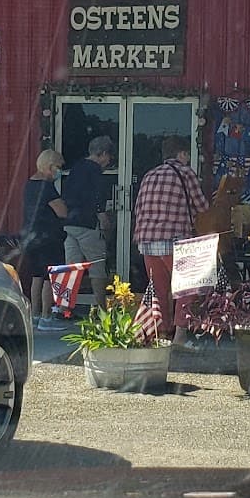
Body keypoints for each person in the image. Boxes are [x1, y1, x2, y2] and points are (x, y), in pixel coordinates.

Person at [131, 134, 208, 345]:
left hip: (147, 241)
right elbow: (202, 207)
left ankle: (163, 333)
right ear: (181, 154)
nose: (188, 159)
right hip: (174, 239)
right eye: (187, 155)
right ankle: (180, 336)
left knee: (158, 289)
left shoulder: (150, 175)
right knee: (187, 288)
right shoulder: (185, 173)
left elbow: (138, 207)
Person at [18, 148, 68, 327]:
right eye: (58, 167)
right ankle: (47, 317)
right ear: (49, 166)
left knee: (36, 276)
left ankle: (35, 315)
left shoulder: (29, 184)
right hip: (49, 237)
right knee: (49, 277)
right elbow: (62, 211)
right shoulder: (47, 187)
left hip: (31, 236)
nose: (59, 171)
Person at [61, 135, 115, 279]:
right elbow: (98, 197)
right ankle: (99, 295)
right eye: (109, 157)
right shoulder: (95, 170)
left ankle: (68, 294)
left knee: (72, 268)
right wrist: (104, 220)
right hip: (88, 224)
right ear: (104, 153)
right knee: (97, 266)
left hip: (69, 223)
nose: (109, 161)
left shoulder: (76, 167)